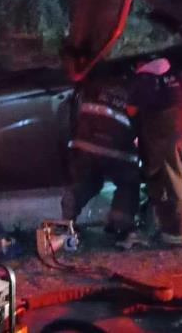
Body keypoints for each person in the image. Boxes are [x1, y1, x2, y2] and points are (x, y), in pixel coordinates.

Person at [61, 72, 144, 249]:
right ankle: (122, 228)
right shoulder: (136, 91)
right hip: (117, 150)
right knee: (128, 183)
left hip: (85, 145)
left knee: (88, 181)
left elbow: (77, 115)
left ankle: (68, 217)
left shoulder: (95, 86)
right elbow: (142, 125)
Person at [129, 57, 182, 247]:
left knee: (172, 179)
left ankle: (176, 234)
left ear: (140, 65)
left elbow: (131, 110)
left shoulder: (143, 78)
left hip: (167, 129)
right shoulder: (178, 72)